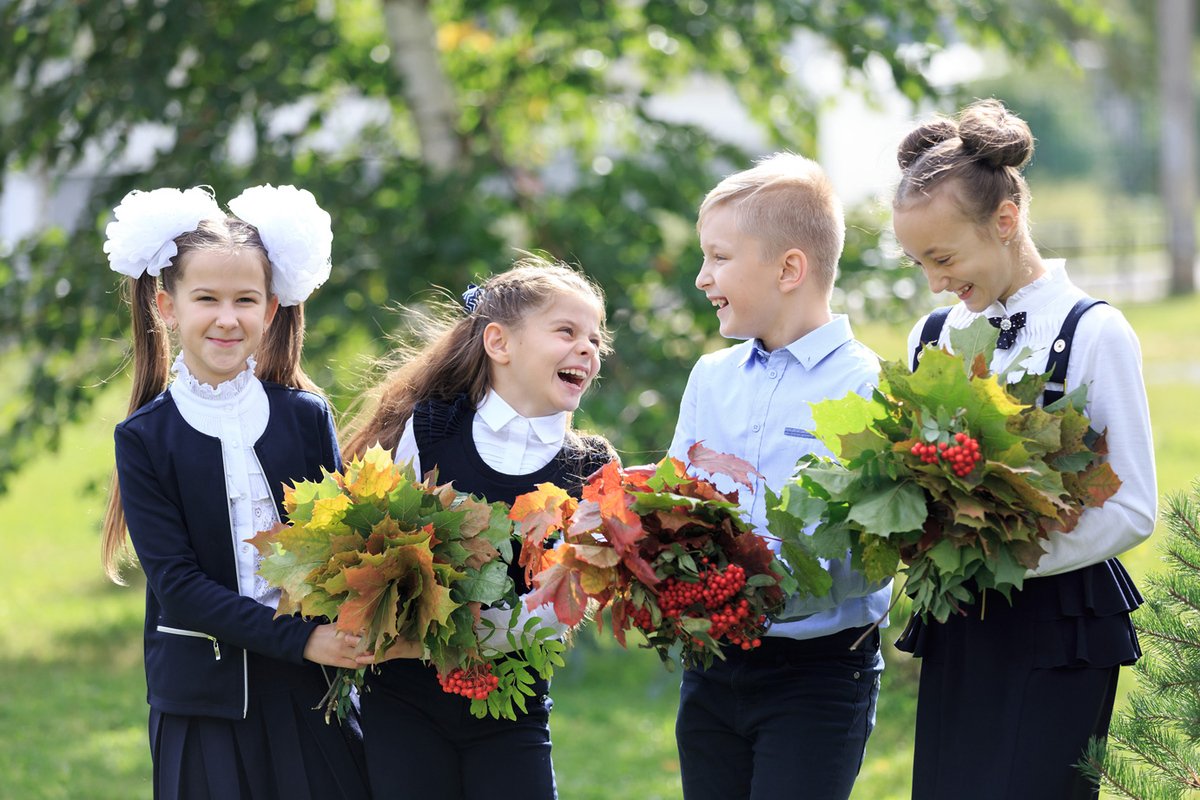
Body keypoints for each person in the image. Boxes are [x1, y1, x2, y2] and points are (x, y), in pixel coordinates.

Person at [890, 99, 1157, 800]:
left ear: (1005, 221)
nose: (935, 282)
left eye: (943, 258)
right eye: (918, 262)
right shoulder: (933, 336)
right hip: (961, 625)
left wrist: (1004, 556)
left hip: (1061, 627)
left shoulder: (1093, 333)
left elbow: (1133, 506)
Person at [101, 184, 370, 800]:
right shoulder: (144, 437)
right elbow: (181, 590)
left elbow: (336, 550)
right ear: (167, 307)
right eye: (207, 299)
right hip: (202, 704)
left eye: (245, 299)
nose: (228, 317)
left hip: (308, 692)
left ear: (271, 309)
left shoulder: (306, 416)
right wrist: (302, 639)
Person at [342, 256, 619, 800]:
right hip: (401, 702)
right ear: (499, 342)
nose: (588, 349)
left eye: (596, 340)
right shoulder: (431, 426)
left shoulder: (590, 467)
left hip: (509, 707)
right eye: (566, 331)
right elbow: (376, 551)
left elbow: (560, 611)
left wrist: (447, 640)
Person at [668, 152, 891, 800]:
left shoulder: (866, 384)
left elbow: (870, 558)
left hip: (818, 677)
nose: (703, 277)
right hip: (711, 669)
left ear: (790, 268)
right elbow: (680, 505)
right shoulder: (709, 378)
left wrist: (753, 587)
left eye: (719, 257)